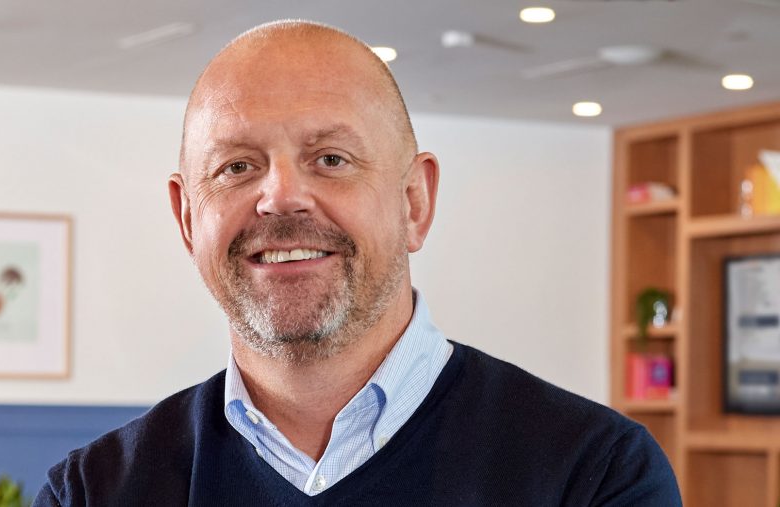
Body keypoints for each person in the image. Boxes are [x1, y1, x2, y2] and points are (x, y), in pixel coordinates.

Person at [33, 20, 681, 506]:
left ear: (414, 201)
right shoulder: (93, 491)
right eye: (237, 166)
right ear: (186, 217)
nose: (280, 195)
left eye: (331, 158)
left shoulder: (593, 474)